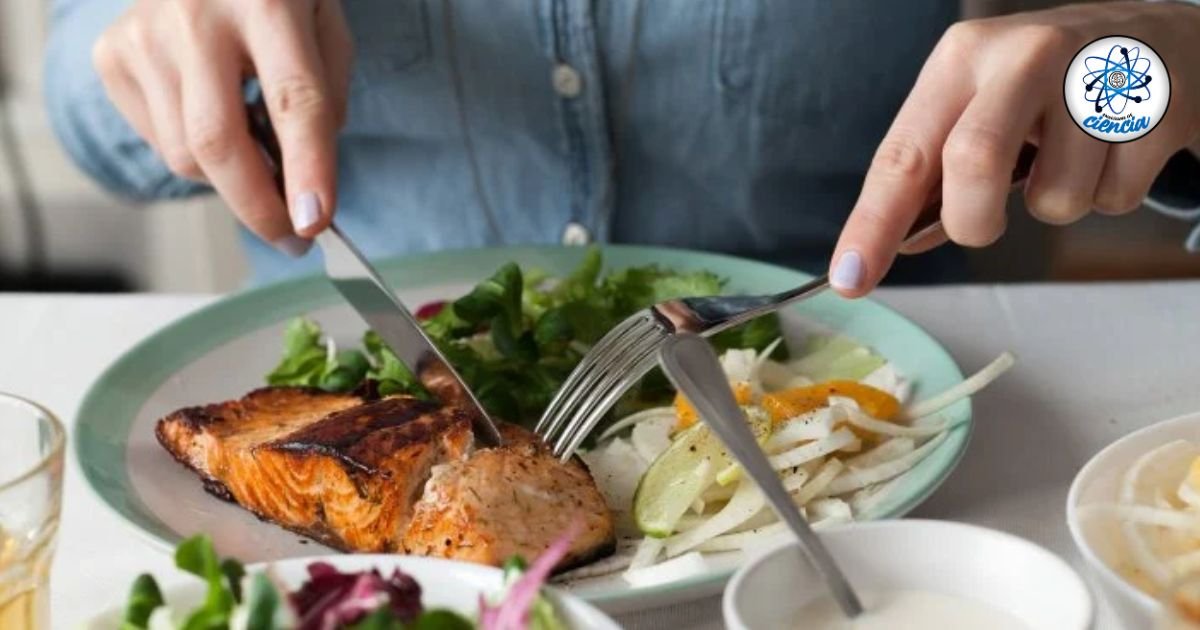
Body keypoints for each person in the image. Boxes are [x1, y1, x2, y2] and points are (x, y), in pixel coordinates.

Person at [44, 0, 1200, 293]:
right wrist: (139, 40)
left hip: (907, 475)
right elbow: (89, 123)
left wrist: (1145, 64)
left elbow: (1134, 69)